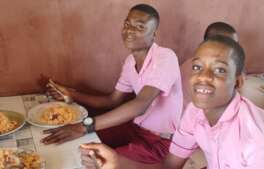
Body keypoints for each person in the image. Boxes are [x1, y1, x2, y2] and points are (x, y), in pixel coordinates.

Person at [80, 36, 264, 169]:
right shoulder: (195, 113)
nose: (203, 77)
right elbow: (169, 166)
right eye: (197, 67)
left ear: (238, 81)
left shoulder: (259, 141)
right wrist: (117, 163)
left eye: (219, 70)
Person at [44, 4, 183, 164]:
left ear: (154, 34)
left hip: (159, 142)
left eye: (140, 26)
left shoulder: (165, 57)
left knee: (98, 160)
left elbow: (141, 104)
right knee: (76, 143)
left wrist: (86, 126)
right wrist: (71, 94)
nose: (130, 30)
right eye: (127, 24)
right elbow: (112, 100)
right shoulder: (131, 61)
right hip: (133, 129)